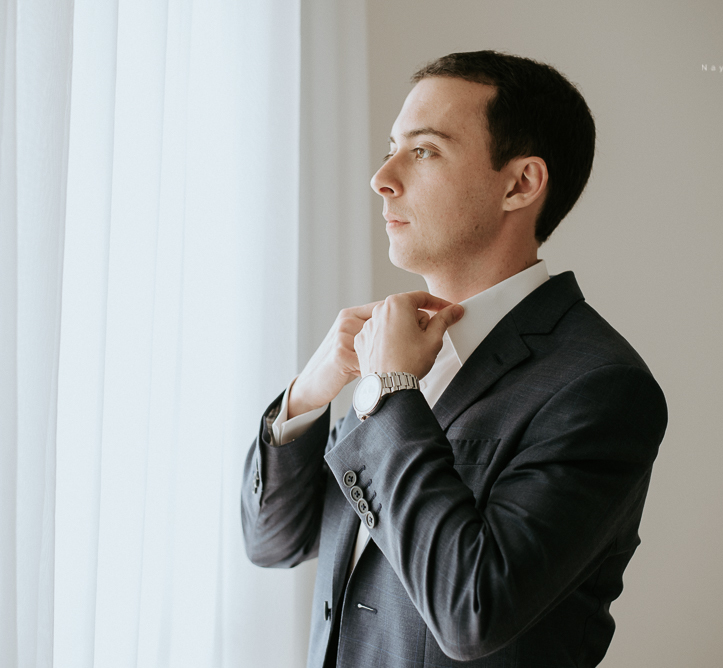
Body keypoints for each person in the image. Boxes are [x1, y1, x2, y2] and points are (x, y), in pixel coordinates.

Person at [241, 50, 667, 668]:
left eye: (424, 150)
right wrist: (309, 394)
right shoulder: (391, 348)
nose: (382, 176)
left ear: (519, 183)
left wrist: (390, 390)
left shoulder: (600, 388)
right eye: (392, 146)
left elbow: (473, 612)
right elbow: (274, 543)